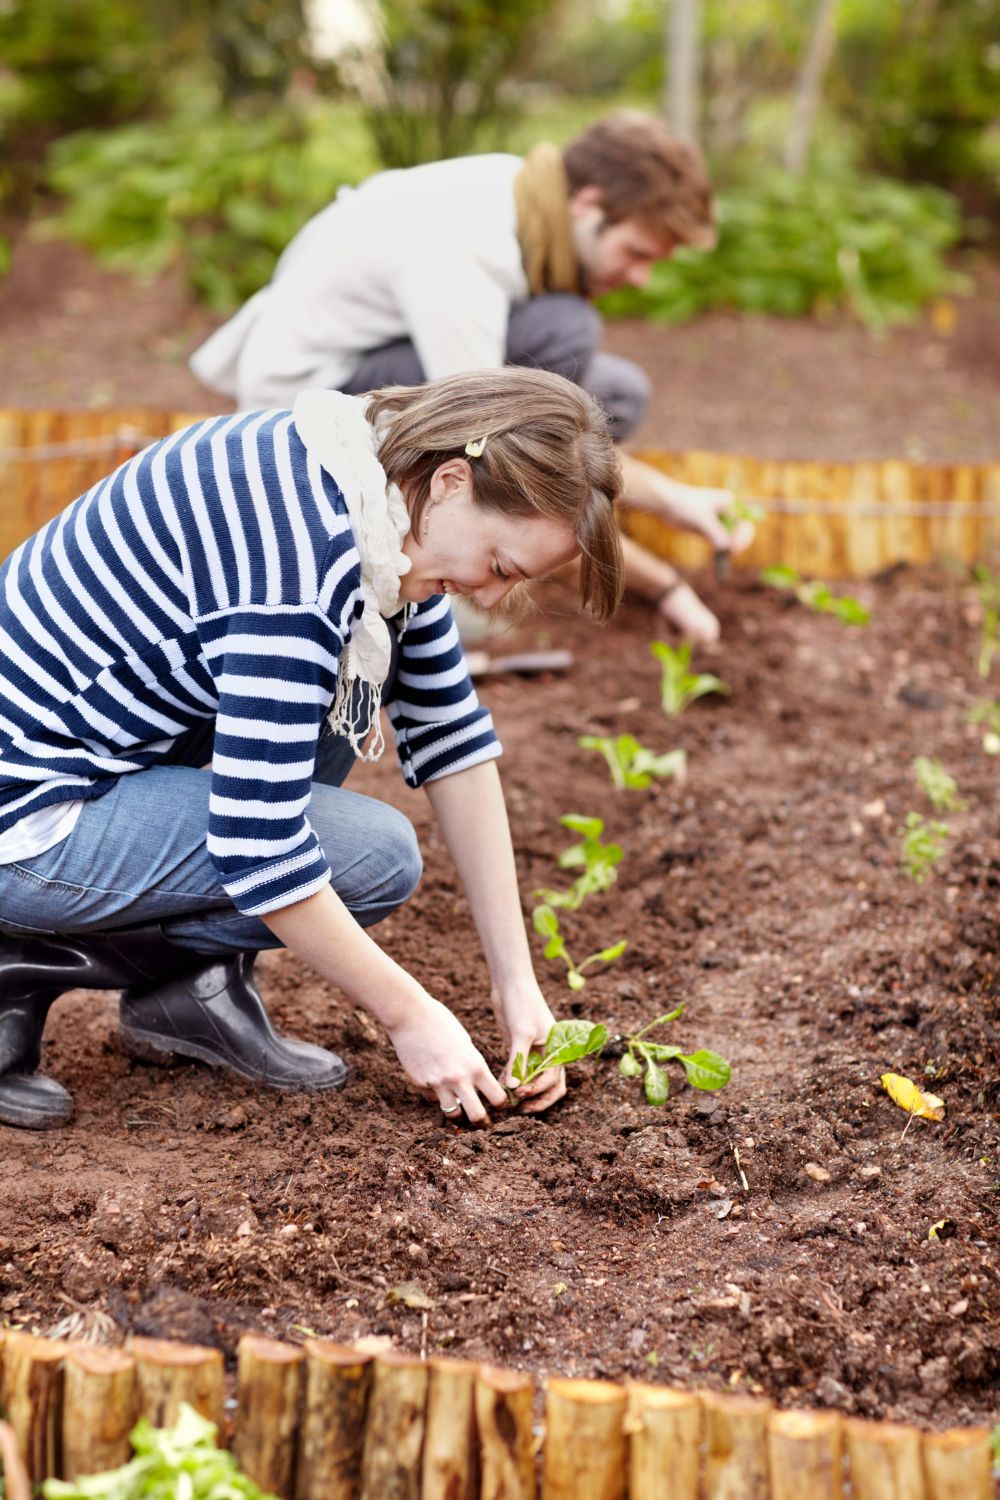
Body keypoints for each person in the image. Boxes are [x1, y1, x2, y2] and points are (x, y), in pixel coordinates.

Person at [0, 366, 623, 1132]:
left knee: (328, 707)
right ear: (455, 479)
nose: (488, 596)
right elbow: (256, 844)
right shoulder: (301, 557)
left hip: (101, 750)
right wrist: (411, 1016)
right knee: (374, 857)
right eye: (498, 566)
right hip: (27, 810)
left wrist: (516, 986)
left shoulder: (377, 494)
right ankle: (20, 958)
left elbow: (450, 735)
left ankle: (185, 995)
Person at [190, 111, 752, 644]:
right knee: (565, 334)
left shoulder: (521, 193)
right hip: (303, 407)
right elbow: (508, 444)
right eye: (635, 252)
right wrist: (666, 579)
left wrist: (672, 501)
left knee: (614, 392)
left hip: (361, 359)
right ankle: (439, 567)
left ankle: (481, 539)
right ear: (588, 203)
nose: (642, 277)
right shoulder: (466, 247)